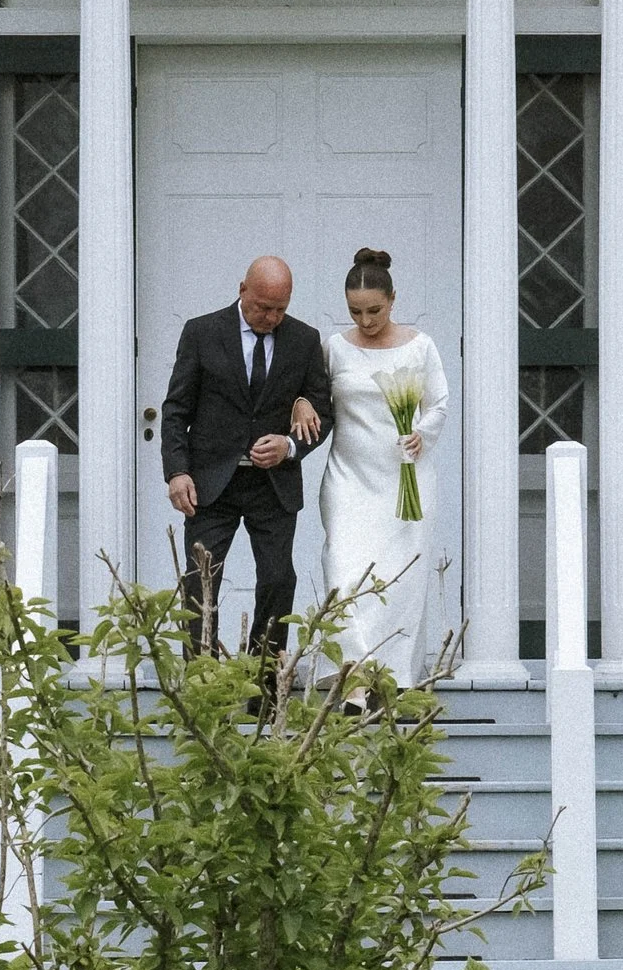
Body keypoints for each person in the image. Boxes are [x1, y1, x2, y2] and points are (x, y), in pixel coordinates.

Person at [158, 254, 332, 657]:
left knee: (277, 579)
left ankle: (266, 687)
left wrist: (289, 446)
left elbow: (323, 410)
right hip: (210, 485)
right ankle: (202, 686)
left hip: (272, 486)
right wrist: (177, 472)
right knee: (201, 583)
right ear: (242, 291)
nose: (271, 318)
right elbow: (176, 409)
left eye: (280, 310)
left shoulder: (304, 340)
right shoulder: (201, 332)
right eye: (262, 308)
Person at [314, 246, 450, 687]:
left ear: (393, 299)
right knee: (344, 570)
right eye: (355, 312)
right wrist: (300, 403)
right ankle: (350, 676)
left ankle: (391, 679)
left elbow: (439, 404)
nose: (366, 321)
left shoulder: (420, 347)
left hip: (404, 480)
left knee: (399, 580)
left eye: (374, 310)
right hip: (349, 479)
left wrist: (422, 433)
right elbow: (314, 397)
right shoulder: (334, 348)